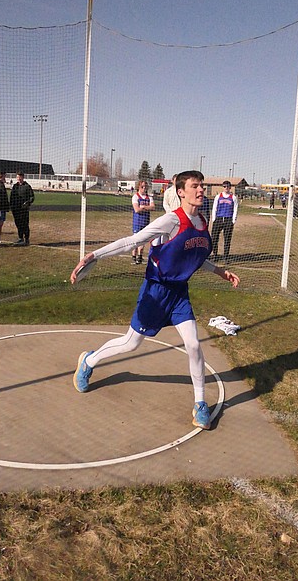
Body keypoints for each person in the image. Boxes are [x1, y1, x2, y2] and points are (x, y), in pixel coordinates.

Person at [70, 170, 240, 430]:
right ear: (181, 192)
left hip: (179, 294)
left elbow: (194, 256)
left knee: (194, 345)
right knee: (131, 343)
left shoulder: (202, 221)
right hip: (156, 292)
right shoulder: (171, 220)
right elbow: (132, 241)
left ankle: (200, 403)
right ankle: (88, 361)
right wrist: (94, 255)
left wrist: (220, 271)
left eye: (202, 186)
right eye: (195, 186)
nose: (201, 190)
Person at [210, 180, 238, 262]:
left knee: (227, 239)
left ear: (230, 187)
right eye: (224, 186)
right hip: (218, 218)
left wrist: (233, 220)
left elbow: (235, 209)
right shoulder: (218, 196)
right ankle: (215, 255)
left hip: (228, 219)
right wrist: (214, 219)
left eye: (228, 186)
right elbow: (214, 208)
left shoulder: (233, 197)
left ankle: (226, 257)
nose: (226, 188)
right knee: (214, 238)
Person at [131, 179, 155, 264]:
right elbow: (136, 209)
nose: (144, 188)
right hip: (137, 222)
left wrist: (143, 207)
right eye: (142, 187)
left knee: (143, 240)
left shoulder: (149, 197)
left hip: (145, 221)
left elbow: (153, 207)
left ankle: (139, 257)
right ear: (138, 187)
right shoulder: (136, 197)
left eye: (145, 187)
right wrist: (146, 207)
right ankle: (133, 256)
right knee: (136, 240)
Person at [10, 172, 35, 245]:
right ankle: (20, 238)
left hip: (24, 209)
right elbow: (11, 197)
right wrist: (11, 206)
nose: (18, 178)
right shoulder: (15, 186)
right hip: (16, 209)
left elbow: (32, 197)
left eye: (20, 177)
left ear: (23, 177)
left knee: (25, 224)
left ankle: (27, 239)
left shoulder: (27, 186)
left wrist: (27, 203)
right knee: (18, 223)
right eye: (17, 177)